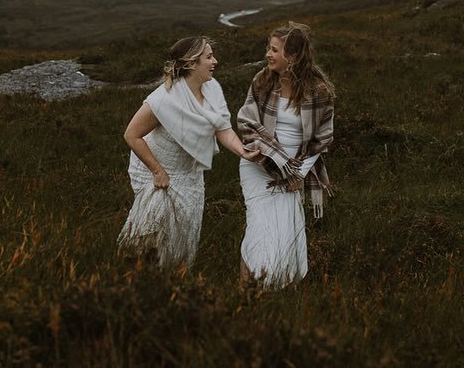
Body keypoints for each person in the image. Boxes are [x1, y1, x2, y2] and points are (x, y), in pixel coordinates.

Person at [118, 35, 260, 267]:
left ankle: (176, 279)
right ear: (192, 63)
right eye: (209, 57)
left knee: (183, 232)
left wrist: (242, 151)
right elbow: (131, 135)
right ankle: (141, 277)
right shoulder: (162, 99)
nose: (215, 61)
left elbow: (222, 129)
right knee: (153, 236)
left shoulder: (211, 90)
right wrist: (157, 171)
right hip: (157, 171)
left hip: (189, 173)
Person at [236, 22, 335, 287]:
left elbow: (322, 138)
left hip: (294, 173)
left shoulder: (318, 91)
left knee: (284, 230)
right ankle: (245, 291)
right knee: (259, 226)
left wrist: (298, 174)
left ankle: (275, 289)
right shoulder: (262, 81)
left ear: (292, 56)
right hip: (259, 167)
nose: (268, 54)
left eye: (274, 50)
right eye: (268, 48)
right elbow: (246, 121)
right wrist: (271, 156)